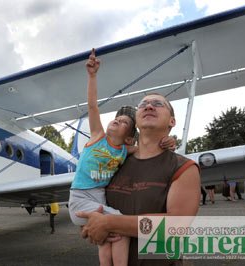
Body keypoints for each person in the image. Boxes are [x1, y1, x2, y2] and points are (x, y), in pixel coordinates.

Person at [69, 49, 176, 266]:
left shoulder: (125, 151)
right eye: (116, 119)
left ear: (129, 139)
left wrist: (168, 141)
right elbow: (92, 106)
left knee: (110, 237)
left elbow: (149, 147)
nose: (117, 121)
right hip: (81, 198)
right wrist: (92, 76)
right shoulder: (98, 137)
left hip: (98, 198)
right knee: (117, 223)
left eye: (124, 122)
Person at [77, 92, 200, 265]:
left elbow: (178, 224)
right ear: (137, 119)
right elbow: (93, 199)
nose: (149, 106)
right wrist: (90, 225)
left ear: (172, 121)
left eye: (158, 104)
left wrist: (110, 223)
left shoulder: (184, 168)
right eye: (143, 105)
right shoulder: (115, 162)